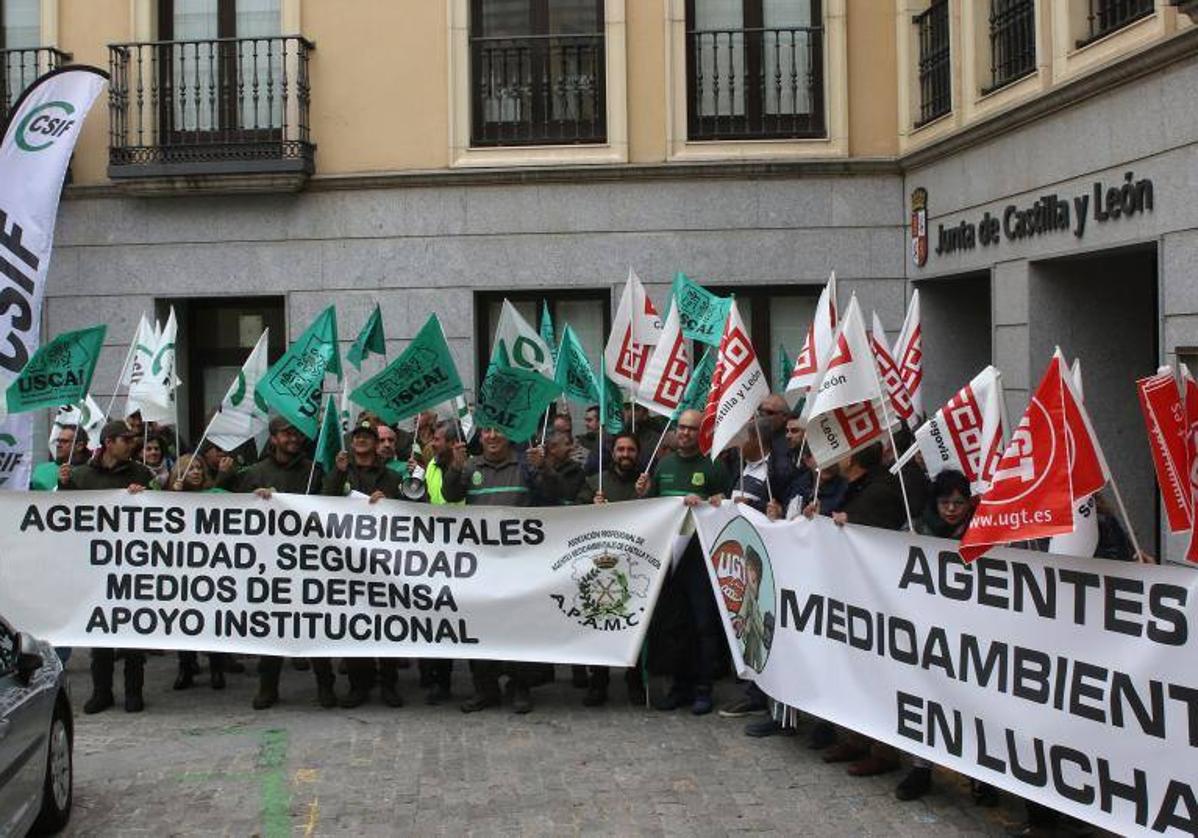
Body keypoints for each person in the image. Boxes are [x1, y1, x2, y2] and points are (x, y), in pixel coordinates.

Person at [219, 416, 337, 710]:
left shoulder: (314, 471)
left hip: (309, 563)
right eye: (287, 433)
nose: (293, 438)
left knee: (313, 627)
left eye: (297, 433)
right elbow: (224, 508)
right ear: (273, 438)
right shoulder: (255, 473)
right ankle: (268, 687)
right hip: (269, 565)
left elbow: (332, 506)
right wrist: (250, 496)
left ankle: (325, 685)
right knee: (272, 628)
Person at [809, 442, 908, 775]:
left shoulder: (879, 490)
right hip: (854, 594)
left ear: (852, 459)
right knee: (853, 668)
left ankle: (883, 749)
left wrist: (849, 522)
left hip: (877, 600)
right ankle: (856, 737)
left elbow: (874, 533)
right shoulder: (858, 486)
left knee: (878, 673)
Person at [60, 420, 156, 714]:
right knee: (100, 632)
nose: (132, 445)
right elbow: (64, 516)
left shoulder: (141, 473)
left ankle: (133, 693)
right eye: (126, 440)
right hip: (97, 565)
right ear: (109, 442)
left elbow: (160, 508)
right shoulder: (81, 476)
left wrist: (146, 494)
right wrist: (64, 487)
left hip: (132, 564)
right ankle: (102, 692)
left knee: (132, 634)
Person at [441, 426, 538, 714]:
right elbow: (450, 494)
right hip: (480, 566)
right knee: (479, 626)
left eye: (499, 431)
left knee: (518, 628)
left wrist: (542, 469)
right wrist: (454, 468)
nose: (493, 437)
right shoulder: (470, 466)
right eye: (486, 432)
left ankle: (520, 686)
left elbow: (550, 493)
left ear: (509, 434)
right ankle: (485, 689)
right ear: (479, 437)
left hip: (518, 563)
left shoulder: (523, 465)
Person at [650, 409, 729, 715]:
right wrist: (644, 493)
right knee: (674, 626)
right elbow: (654, 509)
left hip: (701, 560)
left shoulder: (713, 467)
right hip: (670, 559)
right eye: (681, 428)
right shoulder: (664, 464)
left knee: (703, 626)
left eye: (691, 429)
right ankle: (679, 687)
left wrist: (711, 503)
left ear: (701, 433)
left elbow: (725, 505)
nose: (684, 433)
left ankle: (703, 688)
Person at [322, 420, 405, 708]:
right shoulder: (342, 472)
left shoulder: (392, 477)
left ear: (375, 442)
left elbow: (410, 512)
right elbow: (323, 504)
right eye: (356, 436)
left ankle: (389, 684)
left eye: (367, 437)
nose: (361, 441)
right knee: (355, 624)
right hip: (348, 564)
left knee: (387, 623)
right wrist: (338, 472)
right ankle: (359, 684)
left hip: (384, 564)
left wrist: (389, 501)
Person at [575, 431, 652, 706]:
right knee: (600, 622)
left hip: (635, 568)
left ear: (638, 453)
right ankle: (599, 681)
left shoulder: (646, 484)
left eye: (631, 450)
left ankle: (634, 682)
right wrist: (590, 506)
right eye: (621, 449)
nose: (625, 455)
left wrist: (646, 497)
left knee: (634, 624)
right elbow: (575, 518)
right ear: (612, 452)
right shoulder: (594, 481)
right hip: (600, 568)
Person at [167, 454, 231, 692]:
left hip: (210, 569)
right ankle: (186, 666)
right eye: (189, 469)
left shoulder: (216, 496)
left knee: (211, 619)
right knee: (184, 621)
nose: (195, 472)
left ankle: (216, 668)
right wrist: (174, 497)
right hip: (181, 571)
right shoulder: (168, 499)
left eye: (198, 468)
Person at [417, 421, 460, 704]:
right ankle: (438, 681)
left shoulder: (466, 467)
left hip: (466, 549)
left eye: (440, 439)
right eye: (433, 438)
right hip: (435, 552)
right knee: (438, 619)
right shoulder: (430, 467)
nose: (434, 443)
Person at [31, 424, 90, 491]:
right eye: (58, 441)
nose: (58, 445)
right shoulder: (41, 470)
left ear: (79, 446)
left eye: (64, 441)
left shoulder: (90, 473)